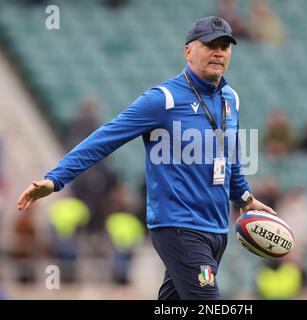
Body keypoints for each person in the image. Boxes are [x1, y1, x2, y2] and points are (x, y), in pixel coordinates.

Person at [17, 16, 275, 300]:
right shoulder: (162, 99)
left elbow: (229, 155)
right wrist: (55, 179)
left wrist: (244, 197)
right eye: (210, 45)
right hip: (179, 227)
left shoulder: (230, 98)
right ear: (188, 51)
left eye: (225, 46)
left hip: (216, 229)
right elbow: (105, 138)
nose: (219, 52)